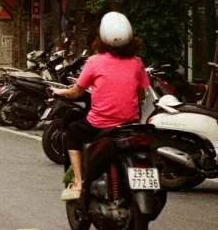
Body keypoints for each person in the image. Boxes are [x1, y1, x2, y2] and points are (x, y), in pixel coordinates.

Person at [49, 12, 150, 201]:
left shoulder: (95, 61)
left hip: (100, 126)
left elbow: (76, 92)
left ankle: (78, 182)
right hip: (130, 126)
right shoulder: (137, 63)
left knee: (73, 131)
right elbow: (141, 94)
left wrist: (58, 91)